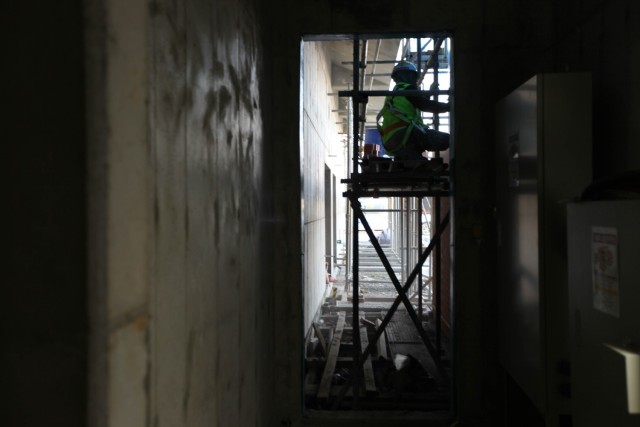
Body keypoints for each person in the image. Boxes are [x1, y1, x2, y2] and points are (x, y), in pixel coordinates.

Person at [376, 60, 450, 160]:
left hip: (390, 142)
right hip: (406, 135)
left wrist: (428, 94)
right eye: (413, 77)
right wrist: (448, 106)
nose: (414, 80)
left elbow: (416, 101)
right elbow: (425, 105)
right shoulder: (408, 89)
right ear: (409, 75)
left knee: (417, 157)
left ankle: (412, 158)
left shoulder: (394, 94)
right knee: (447, 140)